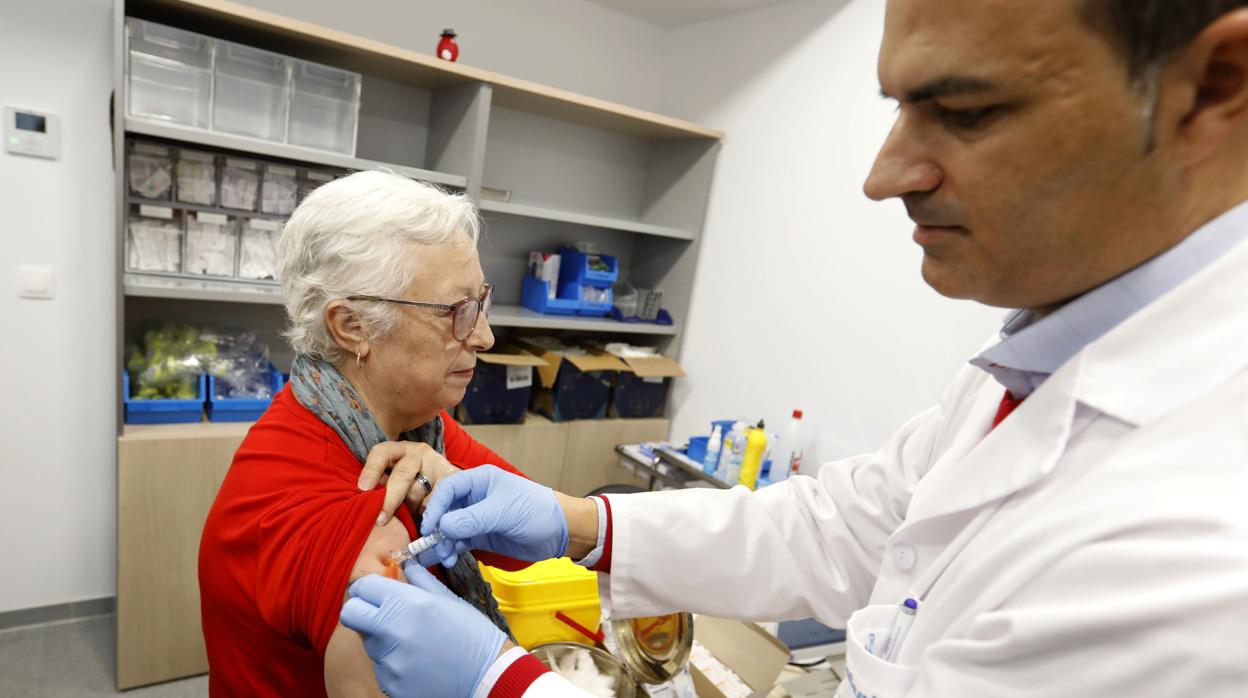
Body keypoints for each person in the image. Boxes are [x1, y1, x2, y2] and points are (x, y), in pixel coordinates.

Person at [340, 0, 1248, 696]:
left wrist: (501, 684)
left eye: (965, 110)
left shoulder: (1204, 551)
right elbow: (841, 527)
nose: (884, 175)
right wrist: (584, 522)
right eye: (898, 107)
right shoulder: (1042, 354)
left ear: (1217, 85)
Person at [198, 170, 551, 697]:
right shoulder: (349, 519)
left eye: (482, 301)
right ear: (354, 326)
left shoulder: (411, 428)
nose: (484, 335)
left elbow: (535, 542)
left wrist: (455, 489)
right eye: (457, 311)